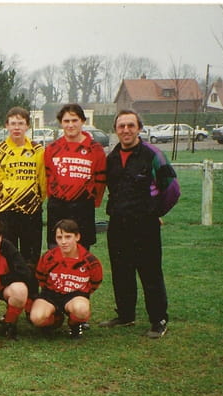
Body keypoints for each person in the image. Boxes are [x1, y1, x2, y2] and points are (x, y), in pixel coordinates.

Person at [99, 109, 179, 338]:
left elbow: (172, 189)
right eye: (121, 126)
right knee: (121, 272)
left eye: (131, 125)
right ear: (115, 130)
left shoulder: (153, 155)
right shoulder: (112, 158)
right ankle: (126, 315)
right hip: (118, 224)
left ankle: (159, 320)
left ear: (139, 128)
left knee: (150, 272)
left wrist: (155, 212)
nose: (126, 130)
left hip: (145, 226)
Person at [0, 106, 46, 270]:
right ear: (6, 125)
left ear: (27, 126)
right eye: (13, 123)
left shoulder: (37, 150)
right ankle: (10, 286)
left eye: (21, 123)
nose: (16, 127)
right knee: (8, 256)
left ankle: (31, 286)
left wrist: (33, 201)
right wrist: (0, 202)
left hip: (31, 211)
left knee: (31, 258)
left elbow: (42, 181)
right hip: (6, 212)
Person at [43, 103, 106, 251]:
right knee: (56, 250)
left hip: (83, 208)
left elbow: (100, 181)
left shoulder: (96, 149)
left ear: (82, 121)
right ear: (61, 123)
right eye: (66, 121)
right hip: (58, 208)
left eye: (74, 120)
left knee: (81, 252)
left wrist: (92, 200)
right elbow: (47, 177)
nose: (70, 125)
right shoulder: (52, 148)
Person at [30, 219, 103, 339]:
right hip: (51, 293)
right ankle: (56, 319)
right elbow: (41, 277)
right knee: (37, 318)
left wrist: (81, 294)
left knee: (81, 309)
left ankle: (74, 324)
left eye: (68, 237)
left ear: (77, 237)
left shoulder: (90, 261)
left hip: (75, 295)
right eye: (59, 237)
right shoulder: (49, 257)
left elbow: (95, 282)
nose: (63, 242)